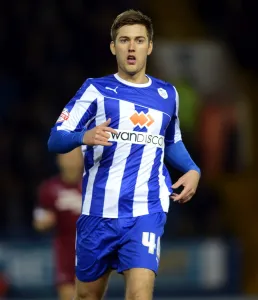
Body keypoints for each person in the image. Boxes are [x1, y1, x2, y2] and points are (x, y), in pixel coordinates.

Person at [48, 9, 201, 300]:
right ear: (113, 46)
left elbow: (171, 141)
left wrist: (193, 169)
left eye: (139, 40)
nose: (132, 47)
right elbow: (55, 139)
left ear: (150, 46)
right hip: (98, 214)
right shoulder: (95, 90)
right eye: (124, 40)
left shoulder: (168, 95)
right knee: (86, 296)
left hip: (145, 210)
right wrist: (84, 136)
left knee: (140, 295)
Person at [33, 147, 83, 300]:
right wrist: (44, 222)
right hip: (65, 253)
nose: (71, 161)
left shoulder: (94, 187)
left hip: (92, 250)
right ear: (58, 160)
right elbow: (38, 220)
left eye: (75, 156)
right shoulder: (49, 189)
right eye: (67, 156)